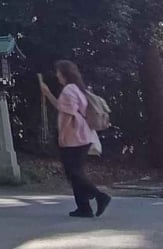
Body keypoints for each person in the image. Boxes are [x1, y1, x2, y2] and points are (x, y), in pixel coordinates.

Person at [39, 61, 111, 219]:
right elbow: (63, 107)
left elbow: (67, 113)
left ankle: (99, 196)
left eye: (58, 72)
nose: (57, 75)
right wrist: (48, 94)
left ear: (64, 73)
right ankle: (84, 207)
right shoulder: (78, 88)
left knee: (73, 172)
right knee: (75, 172)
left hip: (74, 135)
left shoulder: (69, 90)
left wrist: (61, 136)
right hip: (83, 135)